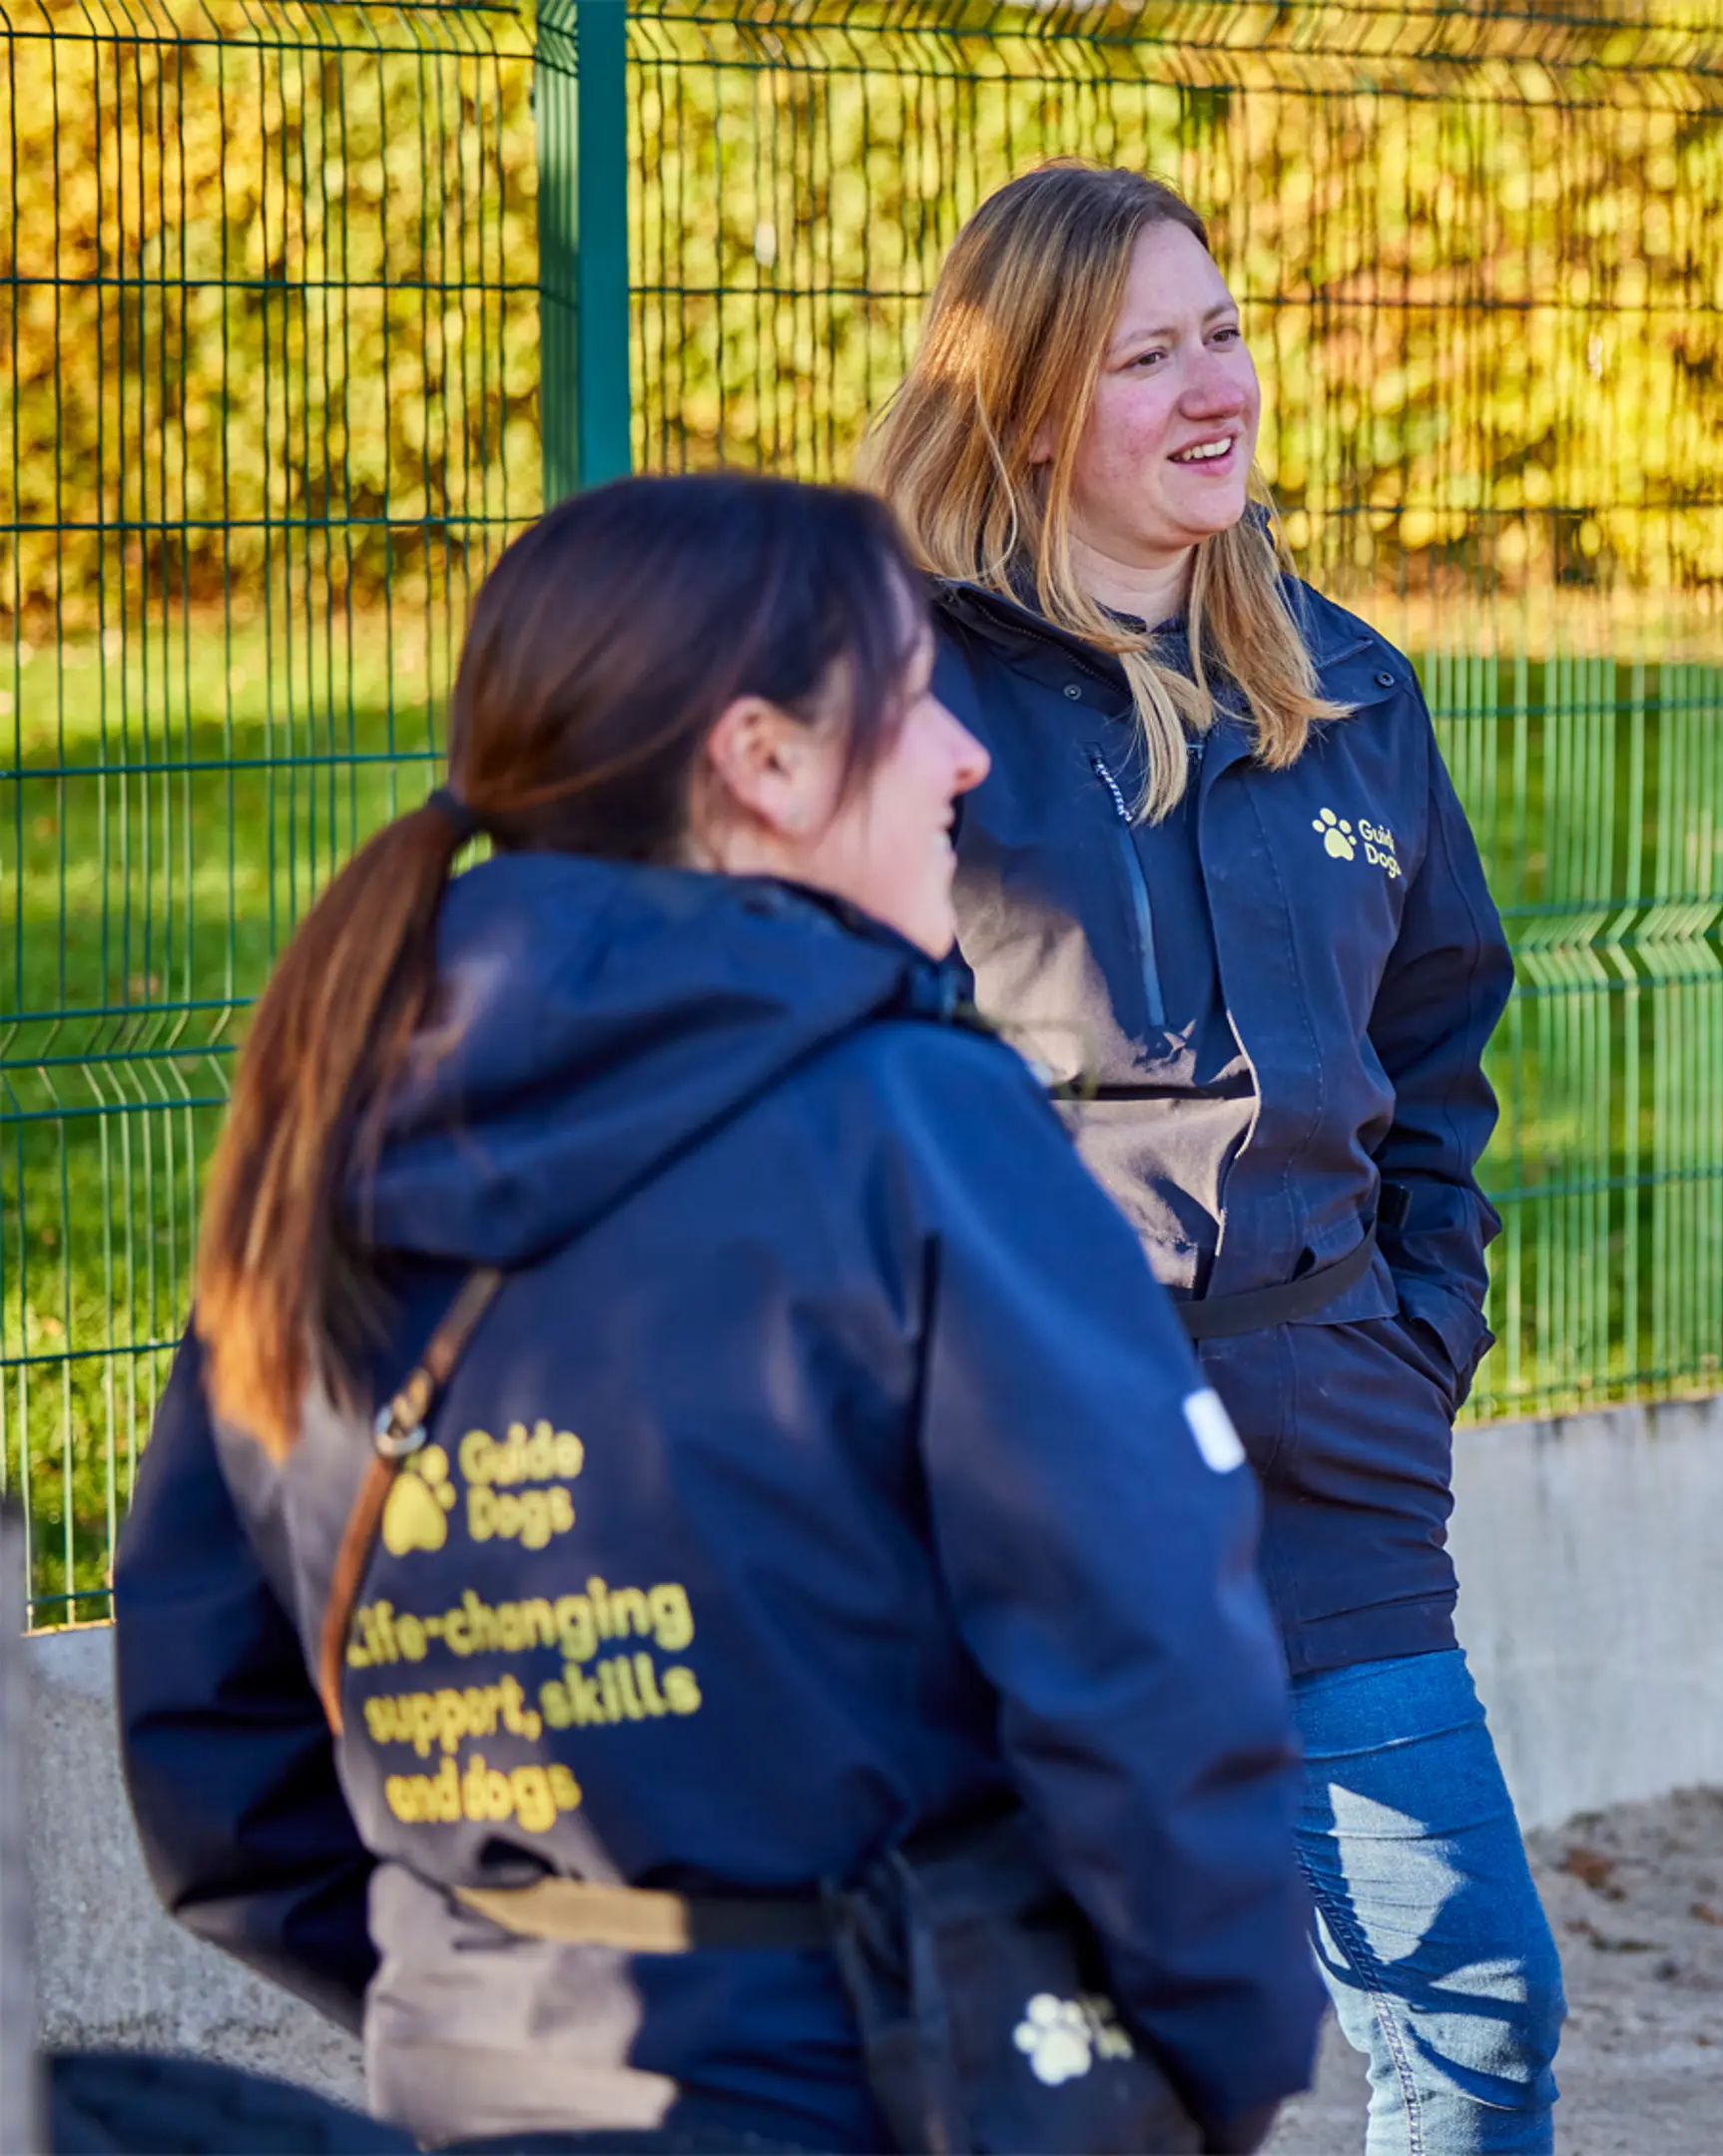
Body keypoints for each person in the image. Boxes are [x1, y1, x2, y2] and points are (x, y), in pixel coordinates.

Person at [112, 472, 1326, 2151]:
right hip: (889, 2085)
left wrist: (492, 1973)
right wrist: (1222, 2057)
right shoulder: (913, 1118)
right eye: (911, 706)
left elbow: (210, 1749)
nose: (964, 756)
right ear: (760, 760)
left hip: (475, 2082)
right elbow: (1143, 1649)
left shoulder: (324, 1129)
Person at [855, 161, 1556, 2153]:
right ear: (1028, 406)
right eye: (1144, 357)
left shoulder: (1338, 689)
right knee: (1065, 2056)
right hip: (1028, 1465)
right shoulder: (908, 691)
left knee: (1479, 2012)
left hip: (1330, 1449)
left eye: (1224, 336)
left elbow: (1438, 1051)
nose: (1211, 390)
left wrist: (1415, 1338)